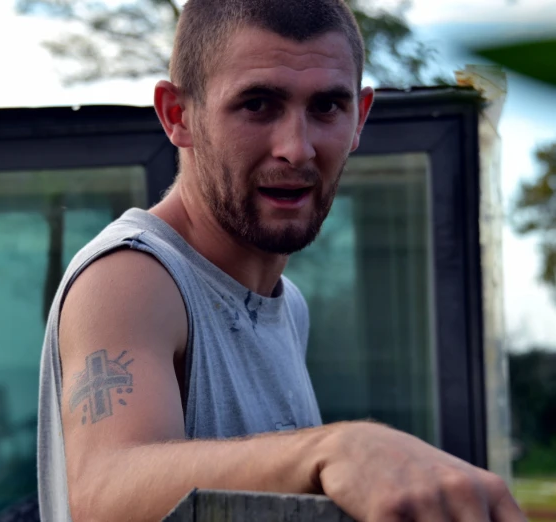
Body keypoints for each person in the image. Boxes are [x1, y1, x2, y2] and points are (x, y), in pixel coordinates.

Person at [36, 0, 526, 521]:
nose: (297, 148)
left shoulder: (288, 306)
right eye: (258, 105)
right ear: (178, 116)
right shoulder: (132, 274)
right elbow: (102, 491)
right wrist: (337, 448)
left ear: (359, 118)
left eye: (326, 108)